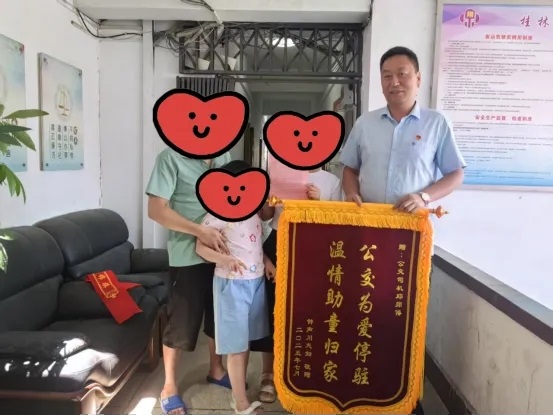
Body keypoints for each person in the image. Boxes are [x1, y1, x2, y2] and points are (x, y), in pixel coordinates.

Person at [339, 46, 466, 414]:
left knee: (406, 316)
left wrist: (424, 196)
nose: (394, 82)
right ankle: (366, 387)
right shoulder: (365, 124)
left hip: (410, 242)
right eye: (387, 76)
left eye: (402, 74)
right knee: (364, 312)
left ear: (418, 78)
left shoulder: (436, 124)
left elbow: (455, 173)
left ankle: (406, 397)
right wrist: (351, 193)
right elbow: (349, 168)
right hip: (367, 237)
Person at [146, 147, 233, 415]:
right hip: (186, 255)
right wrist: (199, 231)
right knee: (182, 321)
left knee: (218, 316)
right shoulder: (169, 158)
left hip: (221, 251)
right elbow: (156, 210)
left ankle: (216, 369)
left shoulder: (224, 157)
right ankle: (169, 386)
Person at [249, 166, 343, 404]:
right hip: (279, 242)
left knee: (309, 311)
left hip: (315, 247)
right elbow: (266, 216)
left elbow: (338, 221)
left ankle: (305, 371)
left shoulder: (331, 180)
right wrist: (267, 201)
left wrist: (319, 203)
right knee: (272, 309)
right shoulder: (279, 174)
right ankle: (268, 375)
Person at [195, 159, 276, 415]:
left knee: (245, 341)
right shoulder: (216, 215)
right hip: (231, 286)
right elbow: (200, 247)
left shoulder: (253, 214)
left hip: (256, 283)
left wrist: (267, 262)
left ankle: (238, 395)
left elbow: (254, 246)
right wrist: (224, 260)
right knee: (236, 345)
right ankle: (241, 403)